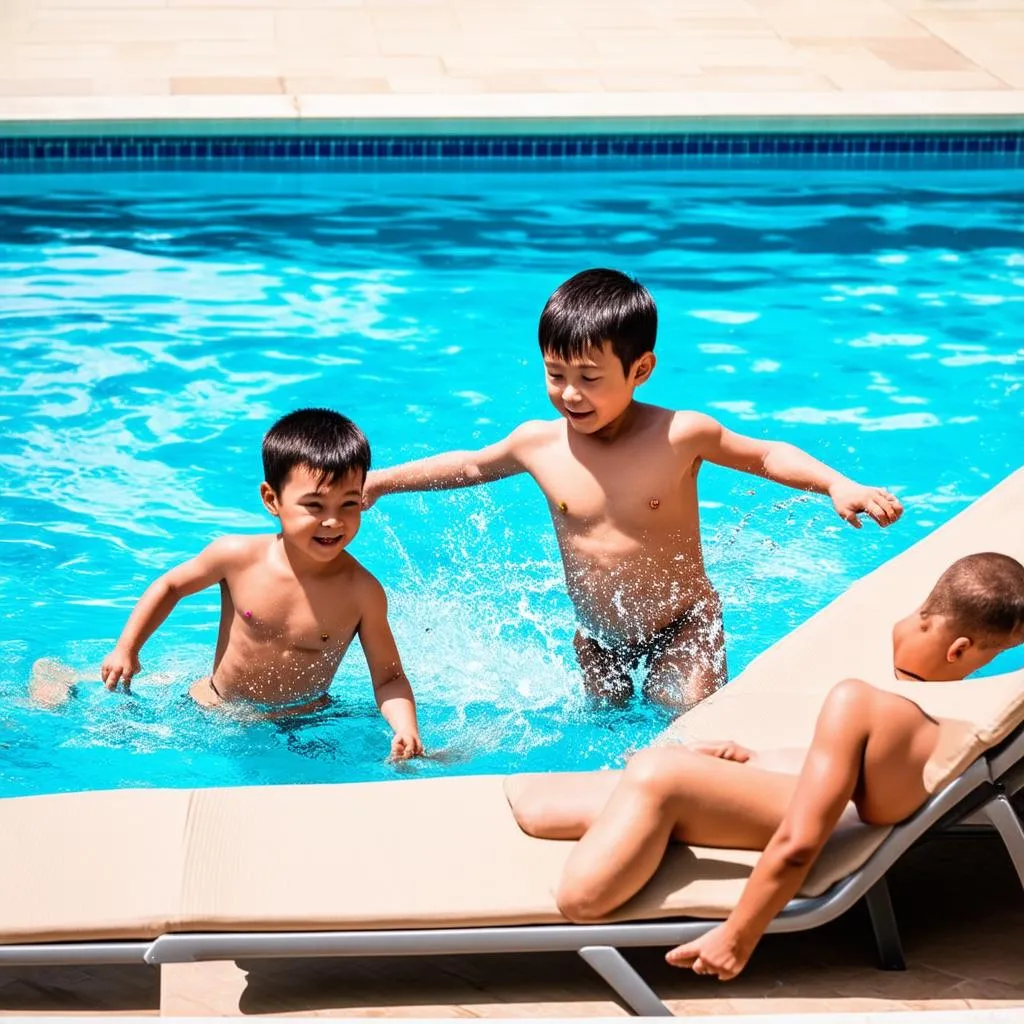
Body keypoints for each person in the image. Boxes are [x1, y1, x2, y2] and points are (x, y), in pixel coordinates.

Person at [363, 268, 903, 711]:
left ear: (640, 369)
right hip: (598, 635)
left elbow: (763, 453)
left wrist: (837, 483)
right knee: (606, 726)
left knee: (687, 721)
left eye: (590, 378)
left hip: (683, 622)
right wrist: (382, 482)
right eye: (555, 375)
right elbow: (471, 467)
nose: (570, 394)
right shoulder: (539, 445)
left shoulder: (679, 434)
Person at [510, 552, 1024, 979]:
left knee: (582, 897)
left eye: (918, 617)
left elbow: (800, 841)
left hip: (688, 790)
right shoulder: (951, 712)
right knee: (536, 807)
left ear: (948, 637)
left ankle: (663, 797)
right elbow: (861, 773)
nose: (901, 626)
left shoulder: (861, 701)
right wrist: (754, 760)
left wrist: (738, 936)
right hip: (757, 783)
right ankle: (665, 792)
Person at [46, 408, 423, 759]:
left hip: (308, 718)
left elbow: (389, 677)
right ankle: (62, 677)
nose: (333, 521)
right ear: (271, 499)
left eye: (349, 505)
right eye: (314, 505)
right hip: (216, 707)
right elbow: (171, 587)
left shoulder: (362, 591)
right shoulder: (237, 557)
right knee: (111, 730)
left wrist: (406, 729)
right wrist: (127, 648)